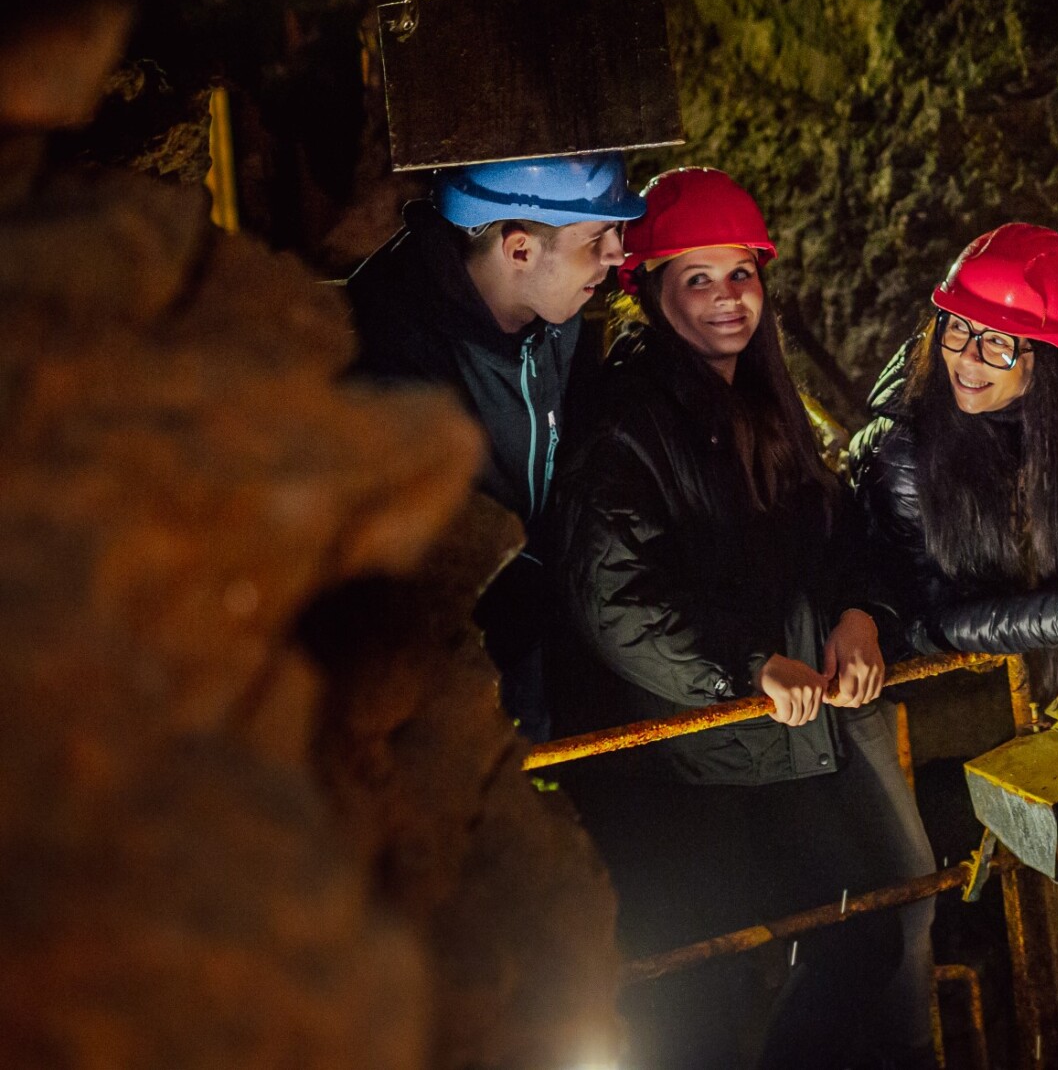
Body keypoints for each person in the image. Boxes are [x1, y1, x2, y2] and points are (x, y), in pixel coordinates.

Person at [548, 168, 935, 1070]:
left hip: (774, 745)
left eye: (741, 274)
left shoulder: (765, 403)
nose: (728, 298)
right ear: (649, 290)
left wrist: (861, 615)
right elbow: (614, 599)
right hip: (680, 764)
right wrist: (744, 666)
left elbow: (833, 534)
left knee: (862, 938)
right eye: (698, 278)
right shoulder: (628, 421)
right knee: (696, 1004)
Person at [345, 151, 642, 737]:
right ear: (520, 250)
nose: (617, 254)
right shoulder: (388, 345)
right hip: (448, 669)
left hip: (539, 640)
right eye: (596, 237)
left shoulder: (553, 315)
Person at [852, 223, 1058, 699]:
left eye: (998, 341)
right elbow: (921, 621)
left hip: (991, 682)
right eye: (958, 327)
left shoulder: (1035, 431)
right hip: (916, 696)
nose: (969, 359)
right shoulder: (906, 454)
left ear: (1045, 360)